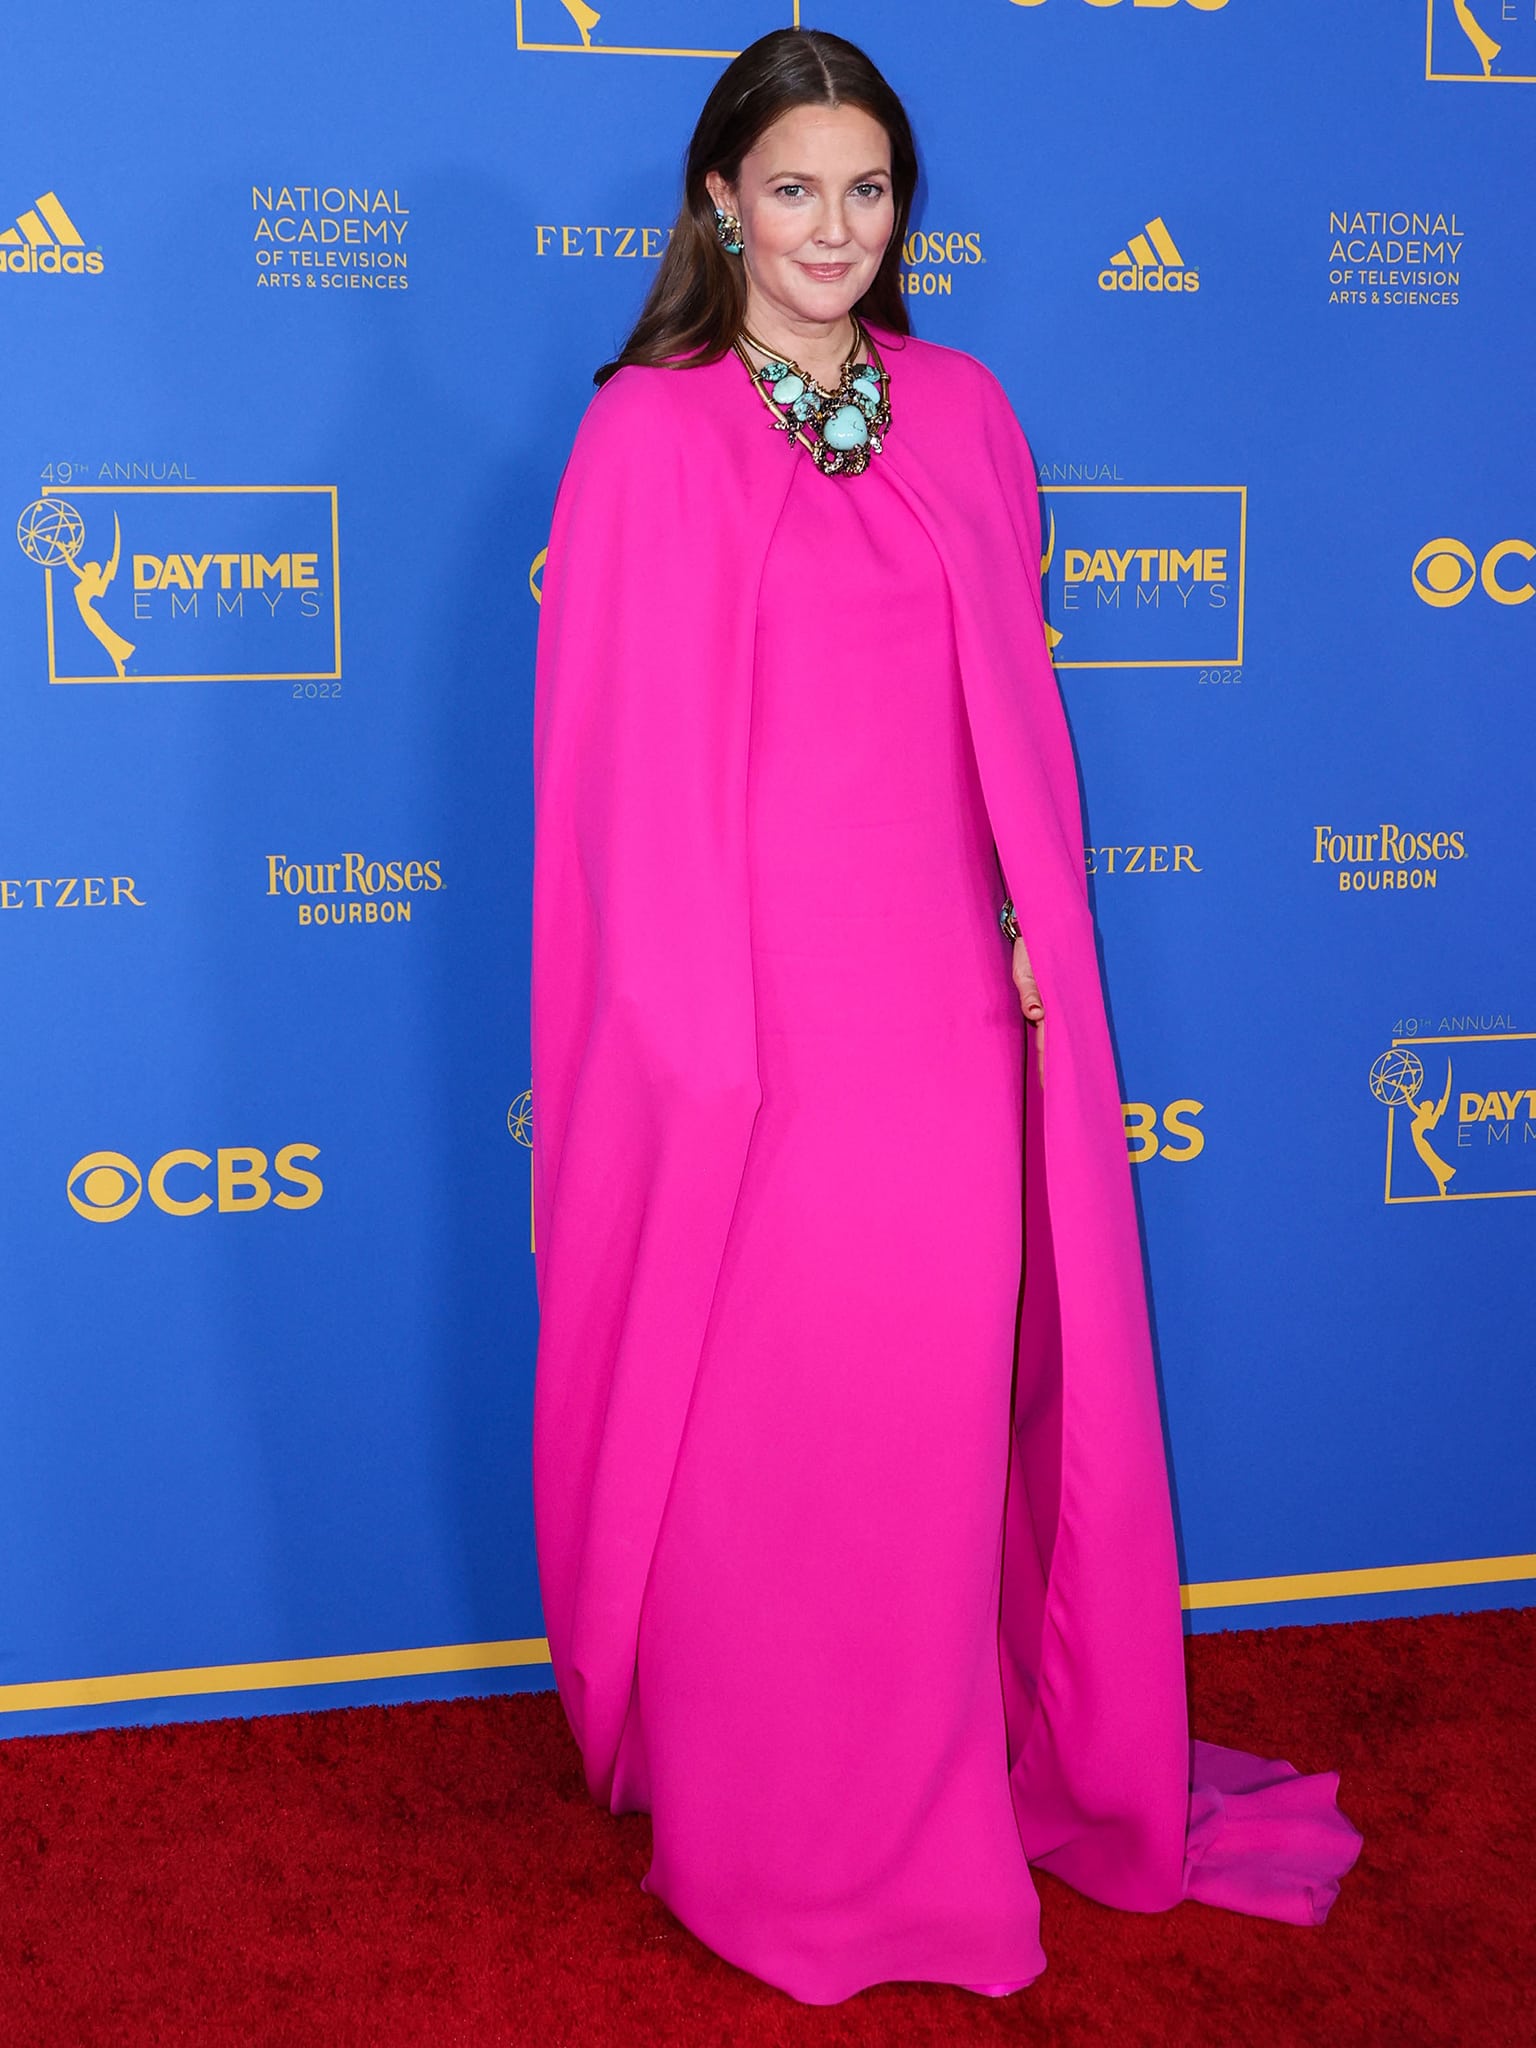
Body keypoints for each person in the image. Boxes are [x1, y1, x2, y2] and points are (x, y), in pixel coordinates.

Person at [529, 26, 1361, 2008]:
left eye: (869, 190)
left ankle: (936, 1786)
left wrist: (1024, 932)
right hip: (737, 1033)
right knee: (761, 1435)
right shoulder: (642, 433)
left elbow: (1015, 718)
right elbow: (622, 782)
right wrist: (687, 1041)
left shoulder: (968, 409)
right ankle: (769, 1820)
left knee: (916, 1428)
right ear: (720, 199)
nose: (834, 227)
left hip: (936, 1015)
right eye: (795, 187)